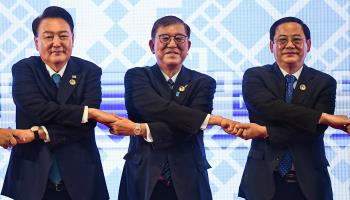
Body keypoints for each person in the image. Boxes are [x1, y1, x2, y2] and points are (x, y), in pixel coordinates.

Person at [108, 16, 236, 200]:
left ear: (188, 46)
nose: (172, 44)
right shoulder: (136, 76)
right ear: (152, 45)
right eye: (165, 38)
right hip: (143, 175)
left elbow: (189, 129)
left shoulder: (203, 82)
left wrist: (141, 129)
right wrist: (207, 119)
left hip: (189, 176)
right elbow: (149, 108)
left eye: (179, 38)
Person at [233, 17, 350, 200]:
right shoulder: (255, 76)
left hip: (312, 183)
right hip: (262, 180)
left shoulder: (325, 82)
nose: (289, 45)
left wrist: (265, 131)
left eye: (297, 40)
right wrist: (323, 116)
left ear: (308, 44)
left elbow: (313, 131)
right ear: (271, 45)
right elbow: (270, 108)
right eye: (282, 40)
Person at [1, 6, 109, 200]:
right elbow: (38, 110)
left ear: (73, 39)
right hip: (32, 178)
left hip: (82, 179)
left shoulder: (90, 71)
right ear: (36, 42)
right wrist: (86, 113)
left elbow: (86, 126)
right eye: (48, 37)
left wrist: (37, 133)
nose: (56, 43)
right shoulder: (23, 69)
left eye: (63, 36)